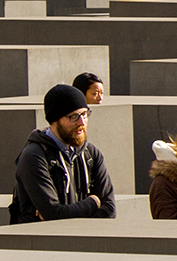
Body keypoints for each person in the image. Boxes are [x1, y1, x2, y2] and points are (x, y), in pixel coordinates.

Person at [9, 83, 116, 222]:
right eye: (73, 117)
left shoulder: (91, 154)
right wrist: (93, 203)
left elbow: (110, 210)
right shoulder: (34, 156)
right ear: (55, 120)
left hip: (84, 240)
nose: (82, 122)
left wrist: (68, 213)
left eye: (85, 114)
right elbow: (53, 214)